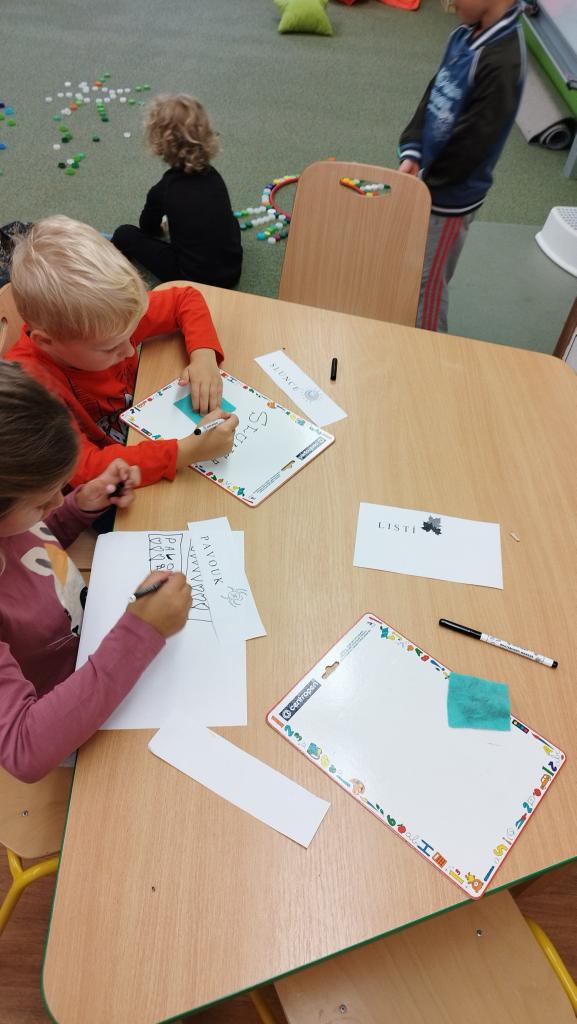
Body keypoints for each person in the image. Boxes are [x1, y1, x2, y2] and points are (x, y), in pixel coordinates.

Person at [0, 362, 192, 782]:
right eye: (41, 502)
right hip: (68, 715)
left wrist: (77, 508)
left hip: (98, 648)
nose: (56, 500)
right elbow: (24, 748)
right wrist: (141, 632)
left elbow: (32, 545)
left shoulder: (13, 522)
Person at [6, 215, 238, 488]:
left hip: (142, 428)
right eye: (110, 348)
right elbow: (82, 470)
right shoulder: (30, 389)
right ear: (47, 342)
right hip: (108, 483)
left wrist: (204, 356)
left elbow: (185, 299)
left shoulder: (109, 319)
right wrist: (185, 452)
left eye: (132, 334)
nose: (129, 351)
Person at [398, 0, 526, 332]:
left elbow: (474, 144)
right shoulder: (461, 36)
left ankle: (428, 347)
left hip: (449, 201)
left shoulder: (504, 62)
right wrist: (413, 149)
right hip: (426, 183)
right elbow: (434, 92)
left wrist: (427, 180)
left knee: (427, 283)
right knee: (411, 268)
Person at [112, 94, 242, 288]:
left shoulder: (164, 189)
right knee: (230, 220)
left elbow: (148, 227)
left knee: (124, 233)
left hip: (193, 280)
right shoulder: (215, 177)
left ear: (160, 143)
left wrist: (161, 228)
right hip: (232, 272)